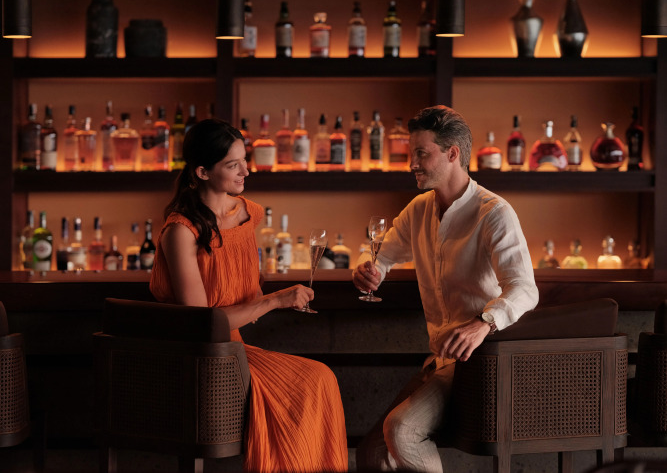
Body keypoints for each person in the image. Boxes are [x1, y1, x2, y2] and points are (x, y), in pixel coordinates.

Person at [149, 118, 348, 473]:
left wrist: (260, 292)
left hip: (236, 349)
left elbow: (246, 288)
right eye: (233, 165)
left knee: (320, 378)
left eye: (245, 160)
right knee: (314, 380)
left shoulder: (247, 214)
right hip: (201, 358)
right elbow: (202, 324)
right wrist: (275, 300)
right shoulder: (181, 231)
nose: (246, 171)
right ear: (202, 172)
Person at [352, 105, 539, 473]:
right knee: (371, 452)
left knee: (401, 431)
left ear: (452, 154)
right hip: (438, 361)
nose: (412, 163)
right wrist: (369, 270)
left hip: (477, 363)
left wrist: (484, 322)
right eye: (413, 154)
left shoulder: (494, 212)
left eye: (422, 153)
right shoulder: (418, 209)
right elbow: (381, 254)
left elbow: (525, 288)